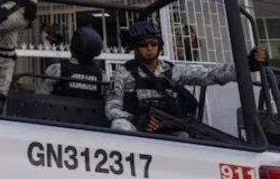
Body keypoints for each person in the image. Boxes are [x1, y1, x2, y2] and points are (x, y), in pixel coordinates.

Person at [105, 21, 268, 134]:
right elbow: (112, 108)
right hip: (135, 128)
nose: (149, 48)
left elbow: (210, 75)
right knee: (119, 126)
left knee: (185, 137)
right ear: (135, 47)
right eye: (143, 44)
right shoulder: (123, 73)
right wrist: (135, 119)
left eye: (153, 43)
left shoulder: (172, 71)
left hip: (167, 127)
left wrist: (247, 64)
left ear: (159, 46)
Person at [38, 26, 106, 98]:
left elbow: (40, 97)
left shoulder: (57, 70)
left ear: (72, 48)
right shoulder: (102, 76)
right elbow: (109, 100)